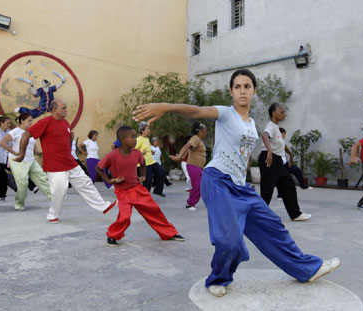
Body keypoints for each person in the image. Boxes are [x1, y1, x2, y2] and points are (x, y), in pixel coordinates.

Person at [132, 69, 340, 297]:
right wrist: (166, 106)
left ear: (254, 91)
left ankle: (306, 269)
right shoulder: (225, 113)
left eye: (247, 86)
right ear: (231, 91)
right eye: (238, 87)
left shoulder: (252, 125)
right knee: (229, 239)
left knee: (274, 226)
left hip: (240, 187)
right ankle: (218, 278)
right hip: (217, 181)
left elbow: (244, 155)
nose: (242, 91)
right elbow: (196, 111)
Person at [15, 99, 117, 223]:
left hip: (70, 162)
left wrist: (69, 150)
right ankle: (52, 215)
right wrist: (21, 154)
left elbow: (67, 138)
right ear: (54, 109)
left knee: (86, 182)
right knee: (60, 191)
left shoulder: (65, 123)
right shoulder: (45, 122)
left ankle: (103, 206)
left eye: (66, 108)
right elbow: (26, 135)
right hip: (55, 165)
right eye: (63, 108)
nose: (66, 110)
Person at [96, 126, 184, 247]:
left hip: (137, 189)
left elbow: (143, 163)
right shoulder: (113, 155)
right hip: (123, 192)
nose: (136, 139)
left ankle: (169, 233)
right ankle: (112, 235)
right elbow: (99, 168)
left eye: (135, 136)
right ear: (123, 139)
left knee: (154, 211)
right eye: (132, 137)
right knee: (125, 217)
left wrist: (143, 176)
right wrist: (110, 180)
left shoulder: (137, 153)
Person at [259, 103, 311, 221]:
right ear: (274, 113)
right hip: (269, 159)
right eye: (281, 112)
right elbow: (265, 136)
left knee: (288, 184)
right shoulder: (271, 126)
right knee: (267, 189)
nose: (284, 114)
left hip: (276, 160)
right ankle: (258, 215)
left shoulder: (276, 128)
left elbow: (282, 144)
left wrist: (290, 154)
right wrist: (269, 151)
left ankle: (295, 214)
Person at [0, 113, 52, 210]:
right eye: (29, 120)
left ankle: (54, 199)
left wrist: (41, 152)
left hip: (31, 160)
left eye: (32, 120)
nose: (31, 122)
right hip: (18, 161)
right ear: (22, 121)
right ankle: (19, 204)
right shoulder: (15, 131)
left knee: (43, 179)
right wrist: (14, 152)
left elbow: (34, 148)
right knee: (23, 183)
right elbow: (2, 142)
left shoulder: (30, 133)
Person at [170, 122, 207, 211]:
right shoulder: (195, 138)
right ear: (200, 131)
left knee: (200, 186)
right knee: (197, 186)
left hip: (197, 167)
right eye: (205, 131)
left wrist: (181, 157)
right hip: (194, 166)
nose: (206, 133)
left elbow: (189, 150)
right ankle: (190, 204)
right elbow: (186, 146)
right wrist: (179, 156)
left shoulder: (198, 140)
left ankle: (192, 203)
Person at [276, 127, 312, 200]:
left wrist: (291, 156)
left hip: (285, 164)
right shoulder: (275, 142)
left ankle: (303, 185)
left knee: (297, 170)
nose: (284, 136)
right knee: (280, 179)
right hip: (278, 165)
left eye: (284, 135)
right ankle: (280, 195)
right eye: (283, 134)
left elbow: (286, 149)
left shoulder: (282, 142)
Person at [135, 122, 167, 197]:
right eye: (147, 129)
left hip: (151, 162)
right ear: (142, 130)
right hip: (144, 164)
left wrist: (151, 152)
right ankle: (145, 197)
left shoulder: (147, 139)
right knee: (148, 182)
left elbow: (147, 149)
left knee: (162, 172)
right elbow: (132, 150)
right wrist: (141, 152)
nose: (149, 130)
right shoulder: (139, 139)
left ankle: (157, 191)